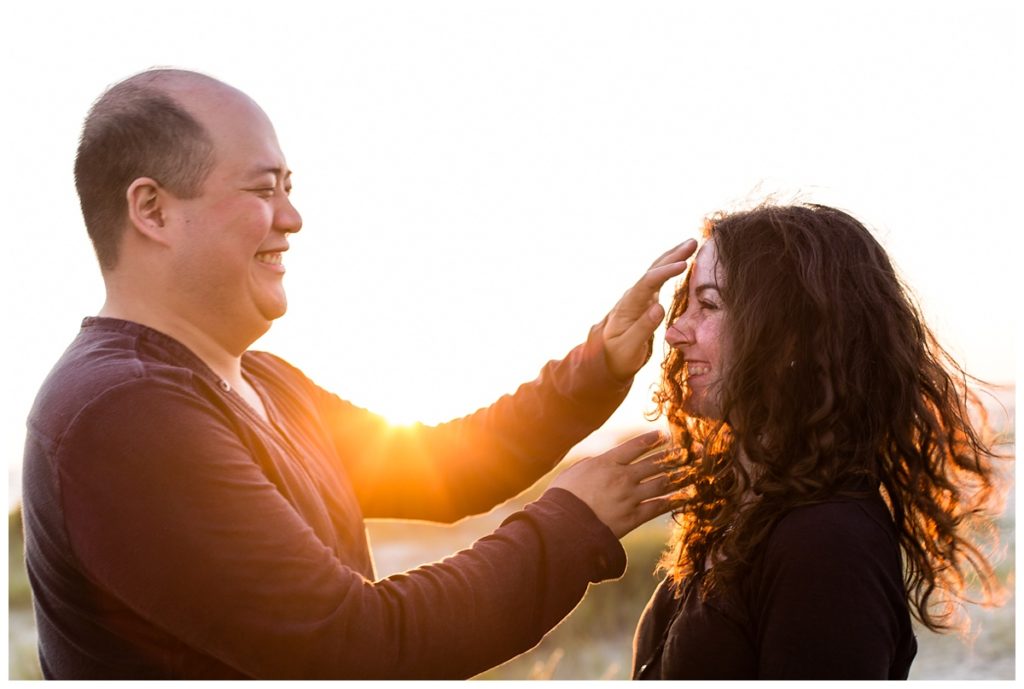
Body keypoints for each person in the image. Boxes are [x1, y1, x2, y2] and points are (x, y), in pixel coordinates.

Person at [21, 68, 697, 680]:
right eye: (263, 189)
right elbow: (356, 649)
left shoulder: (265, 382)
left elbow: (441, 466)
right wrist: (572, 523)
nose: (292, 218)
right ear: (153, 210)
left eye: (289, 188)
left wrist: (599, 366)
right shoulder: (122, 414)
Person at [632, 203, 1007, 680]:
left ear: (790, 337)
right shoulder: (743, 508)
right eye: (685, 304)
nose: (674, 331)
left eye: (707, 304)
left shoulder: (828, 545)